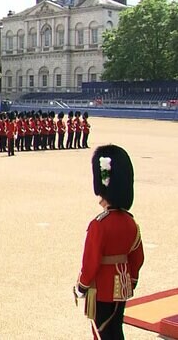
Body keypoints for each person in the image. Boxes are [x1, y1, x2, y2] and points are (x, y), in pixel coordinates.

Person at [75, 145, 144, 340]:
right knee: (116, 330)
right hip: (122, 287)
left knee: (102, 332)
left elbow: (91, 261)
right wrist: (131, 280)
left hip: (102, 289)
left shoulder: (99, 224)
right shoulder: (131, 223)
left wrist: (82, 285)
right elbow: (137, 258)